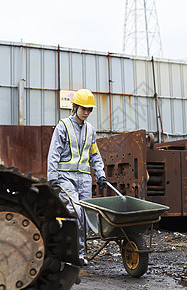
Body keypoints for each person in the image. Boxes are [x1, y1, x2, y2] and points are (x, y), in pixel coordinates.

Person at [47, 88, 107, 265]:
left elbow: (95, 155)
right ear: (74, 107)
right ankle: (69, 253)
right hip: (65, 177)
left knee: (86, 216)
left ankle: (79, 255)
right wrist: (52, 177)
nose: (86, 113)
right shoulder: (63, 126)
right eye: (83, 109)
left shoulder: (90, 130)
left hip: (85, 179)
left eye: (89, 110)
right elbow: (54, 153)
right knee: (74, 213)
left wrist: (101, 174)